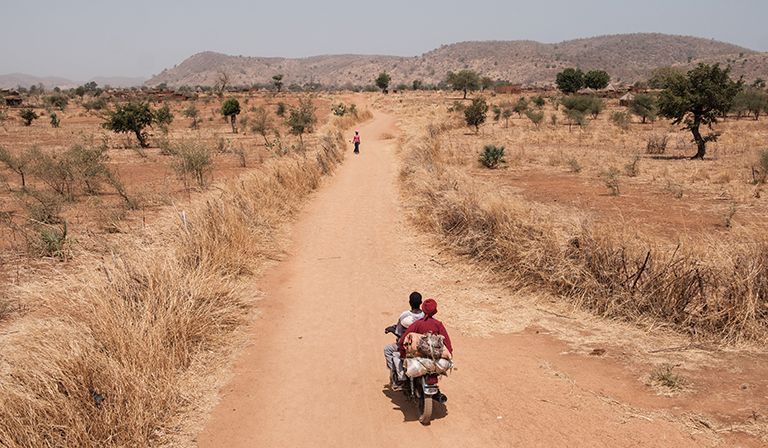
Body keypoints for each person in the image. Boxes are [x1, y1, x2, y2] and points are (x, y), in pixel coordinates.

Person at [384, 292, 424, 389]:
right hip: (422, 346)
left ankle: (397, 377)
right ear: (421, 302)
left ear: (410, 302)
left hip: (407, 347)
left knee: (388, 349)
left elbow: (399, 333)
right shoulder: (425, 316)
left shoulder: (405, 316)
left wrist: (391, 329)